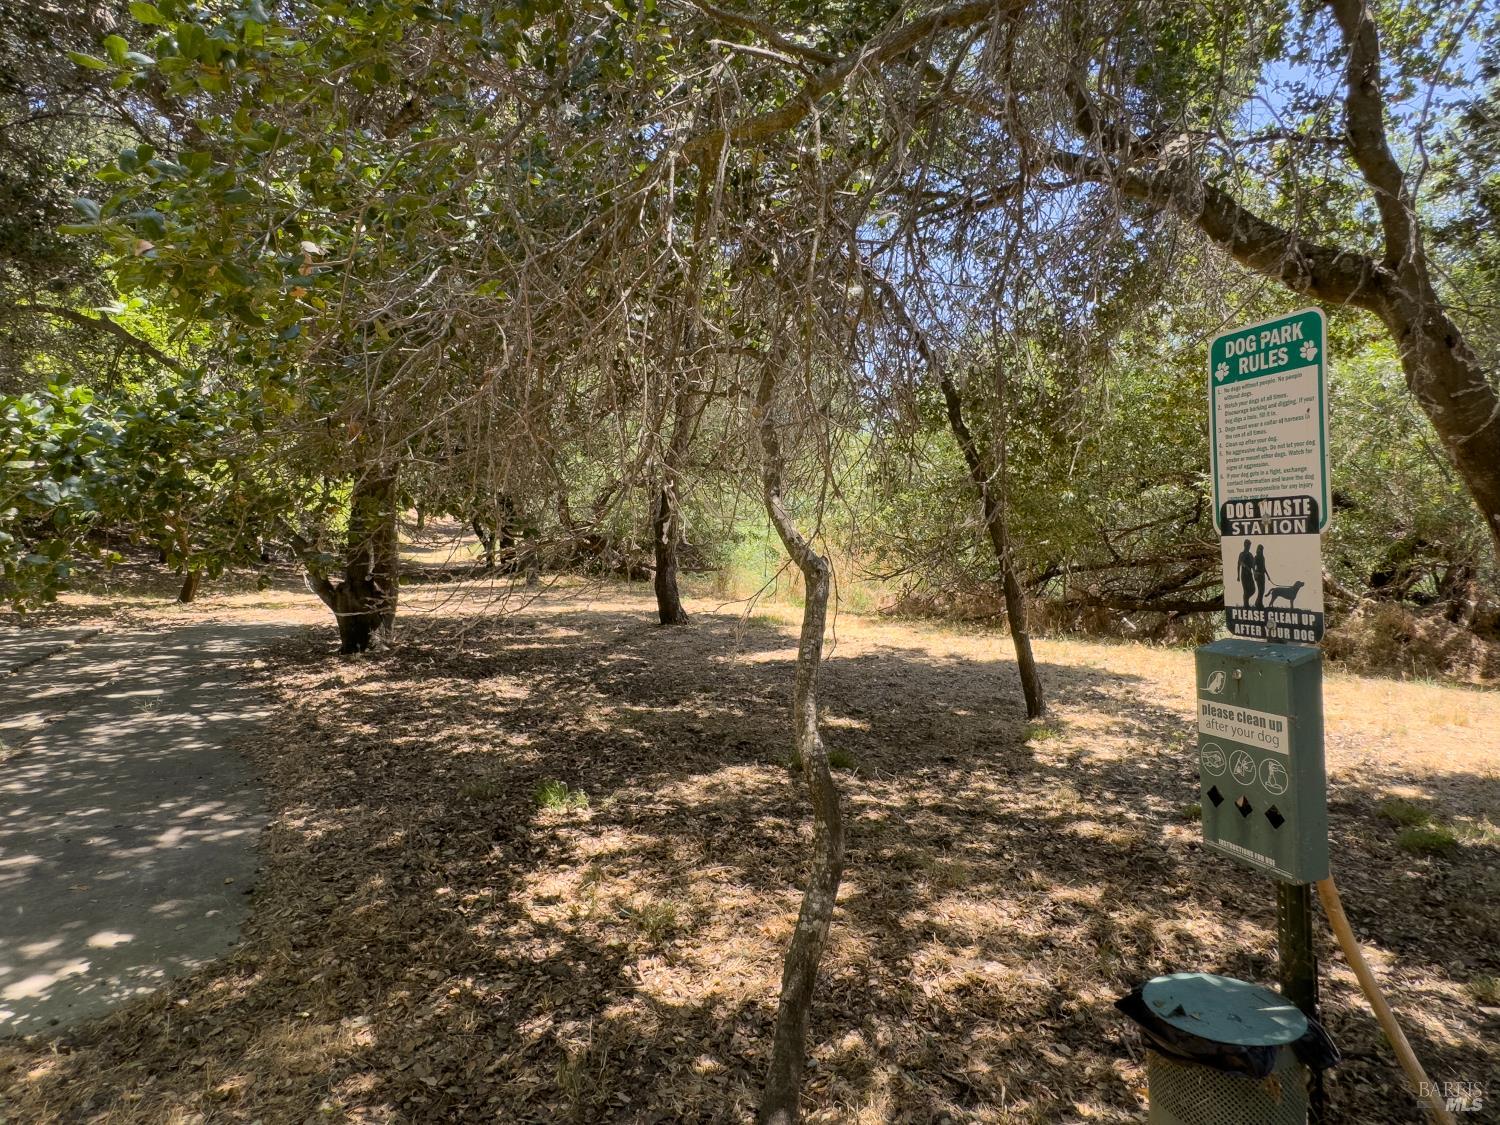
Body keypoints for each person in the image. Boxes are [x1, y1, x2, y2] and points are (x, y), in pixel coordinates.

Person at [1237, 539, 1256, 607]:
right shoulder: (1241, 554)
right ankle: (1246, 605)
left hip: (1249, 575)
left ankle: (1246, 602)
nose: (1248, 546)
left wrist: (1254, 573)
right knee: (1246, 590)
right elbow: (1239, 564)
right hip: (1244, 574)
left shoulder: (1250, 555)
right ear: (1244, 545)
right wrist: (1238, 576)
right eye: (1247, 545)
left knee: (1253, 590)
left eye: (1249, 545)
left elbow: (1253, 565)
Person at [1254, 544, 1268, 608]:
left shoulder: (1263, 557)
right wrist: (1256, 574)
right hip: (1258, 576)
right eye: (1260, 549)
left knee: (1262, 590)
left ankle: (1259, 603)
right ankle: (1258, 604)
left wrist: (1268, 575)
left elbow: (1264, 567)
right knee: (1260, 590)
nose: (1261, 550)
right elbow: (1253, 566)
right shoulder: (1256, 557)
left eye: (1262, 549)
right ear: (1258, 549)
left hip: (1263, 575)